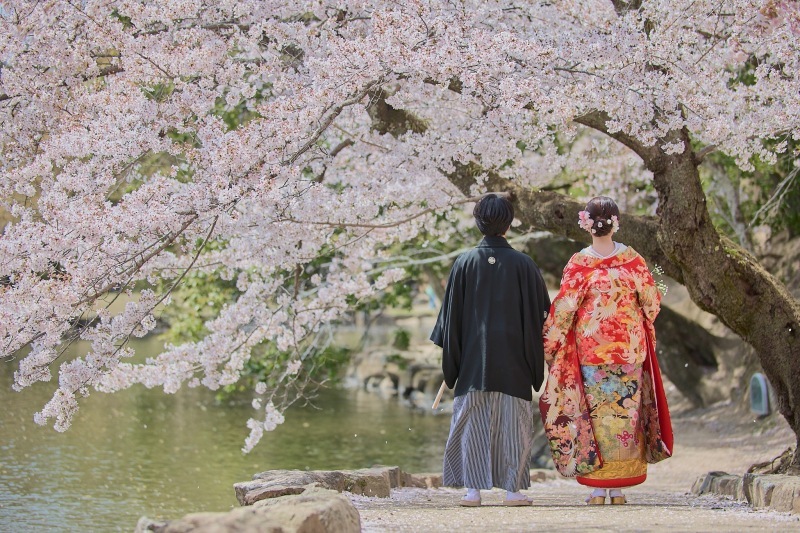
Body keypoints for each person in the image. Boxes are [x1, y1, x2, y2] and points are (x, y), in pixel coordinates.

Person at [539, 196, 673, 505]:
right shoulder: (633, 261)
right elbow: (652, 302)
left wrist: (551, 345)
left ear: (586, 224)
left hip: (591, 353)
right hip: (629, 351)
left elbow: (563, 311)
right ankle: (619, 489)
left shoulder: (579, 264)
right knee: (627, 413)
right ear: (616, 222)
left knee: (596, 418)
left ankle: (599, 490)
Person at [430, 192, 551, 507]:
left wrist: (452, 364)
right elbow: (543, 315)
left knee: (474, 423)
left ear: (478, 222)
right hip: (516, 360)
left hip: (474, 360)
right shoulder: (524, 264)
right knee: (514, 425)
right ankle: (513, 490)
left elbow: (450, 318)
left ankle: (473, 490)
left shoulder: (465, 263)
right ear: (509, 225)